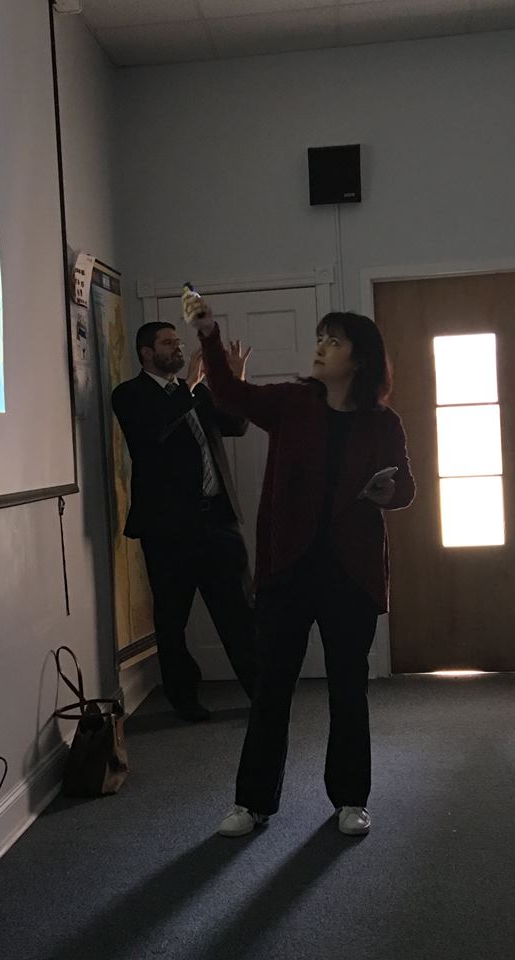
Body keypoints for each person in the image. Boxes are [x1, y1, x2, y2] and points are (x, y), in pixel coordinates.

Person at [184, 295, 415, 835]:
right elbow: (230, 394)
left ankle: (351, 799)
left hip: (351, 574)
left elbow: (406, 485)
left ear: (359, 358)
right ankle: (252, 802)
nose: (321, 348)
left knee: (347, 689)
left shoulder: (383, 422)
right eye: (319, 338)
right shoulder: (291, 403)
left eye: (333, 341)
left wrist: (389, 493)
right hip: (288, 569)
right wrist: (209, 334)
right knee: (271, 688)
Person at [111, 321, 256, 722]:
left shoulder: (197, 392)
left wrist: (236, 382)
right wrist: (189, 386)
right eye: (168, 343)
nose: (178, 348)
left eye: (178, 341)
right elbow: (152, 434)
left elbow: (237, 426)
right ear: (146, 352)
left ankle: (261, 692)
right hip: (168, 530)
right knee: (173, 619)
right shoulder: (130, 395)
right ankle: (185, 700)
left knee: (240, 612)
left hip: (218, 522)